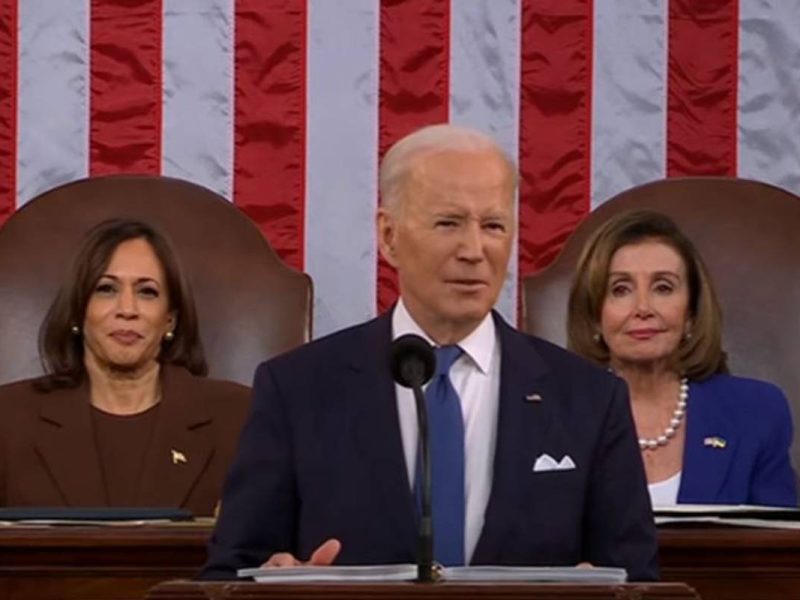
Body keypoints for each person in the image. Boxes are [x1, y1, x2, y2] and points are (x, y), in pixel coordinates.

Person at [201, 124, 658, 580]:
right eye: (449, 223)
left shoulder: (589, 399)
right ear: (389, 236)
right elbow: (228, 574)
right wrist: (275, 583)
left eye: (494, 226)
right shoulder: (297, 389)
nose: (475, 250)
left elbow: (636, 578)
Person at [0, 219, 250, 515]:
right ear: (78, 310)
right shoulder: (9, 418)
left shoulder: (240, 416)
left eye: (147, 292)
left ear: (170, 319)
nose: (127, 310)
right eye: (106, 289)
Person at [567, 209, 797, 507]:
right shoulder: (555, 414)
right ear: (595, 316)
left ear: (691, 314)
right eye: (620, 289)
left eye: (663, 288)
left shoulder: (757, 412)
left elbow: (779, 547)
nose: (643, 308)